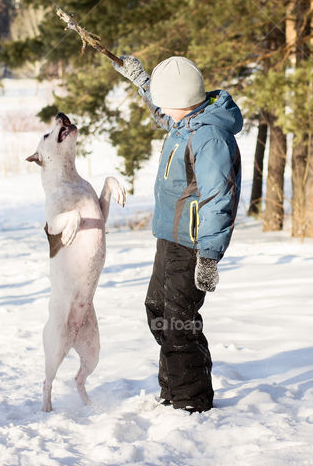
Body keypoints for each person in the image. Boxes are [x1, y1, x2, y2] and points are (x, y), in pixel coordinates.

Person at [114, 55, 242, 413]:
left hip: (191, 245)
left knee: (179, 322)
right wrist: (140, 80)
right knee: (158, 310)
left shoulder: (210, 138)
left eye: (161, 97)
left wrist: (209, 256)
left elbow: (220, 199)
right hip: (168, 238)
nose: (160, 108)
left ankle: (191, 401)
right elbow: (160, 109)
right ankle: (172, 390)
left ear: (180, 101)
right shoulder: (184, 122)